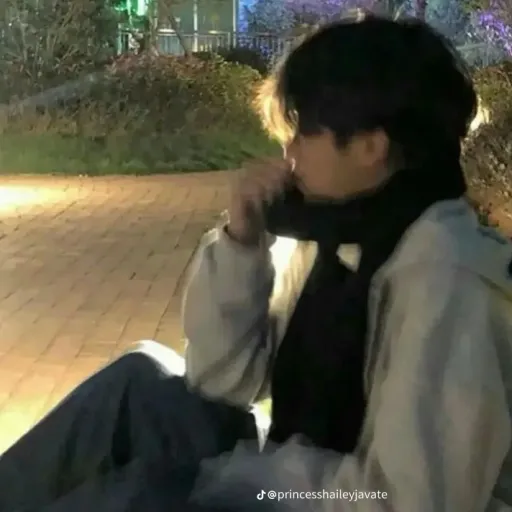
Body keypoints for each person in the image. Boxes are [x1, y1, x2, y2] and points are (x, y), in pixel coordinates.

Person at [1, 13, 512, 512]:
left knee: (142, 496)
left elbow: (406, 500)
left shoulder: (450, 280)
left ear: (369, 146)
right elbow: (221, 379)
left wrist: (235, 477)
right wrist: (242, 243)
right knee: (141, 382)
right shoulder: (335, 236)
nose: (289, 152)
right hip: (307, 478)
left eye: (304, 130)